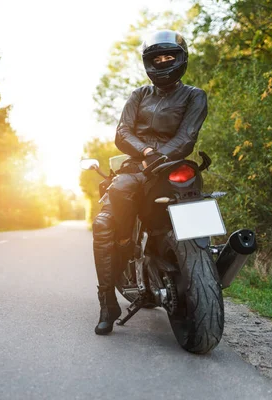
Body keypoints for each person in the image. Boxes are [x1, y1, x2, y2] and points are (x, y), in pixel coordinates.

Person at [93, 30, 208, 335]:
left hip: (171, 167)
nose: (163, 62)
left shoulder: (194, 95)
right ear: (147, 62)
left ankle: (207, 267)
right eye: (156, 57)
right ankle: (108, 302)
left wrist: (158, 157)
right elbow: (122, 134)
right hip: (137, 168)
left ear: (181, 59)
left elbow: (187, 138)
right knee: (105, 221)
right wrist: (144, 152)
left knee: (198, 208)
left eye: (169, 56)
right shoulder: (139, 95)